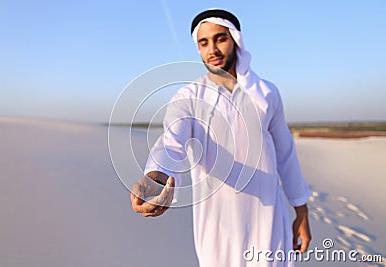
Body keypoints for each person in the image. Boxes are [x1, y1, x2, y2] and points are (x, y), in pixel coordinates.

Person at [130, 9, 312, 267]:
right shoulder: (188, 97)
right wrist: (157, 177)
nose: (212, 49)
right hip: (217, 226)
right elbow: (172, 142)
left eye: (220, 39)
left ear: (236, 40)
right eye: (203, 43)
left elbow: (286, 154)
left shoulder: (266, 93)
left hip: (269, 219)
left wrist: (301, 213)